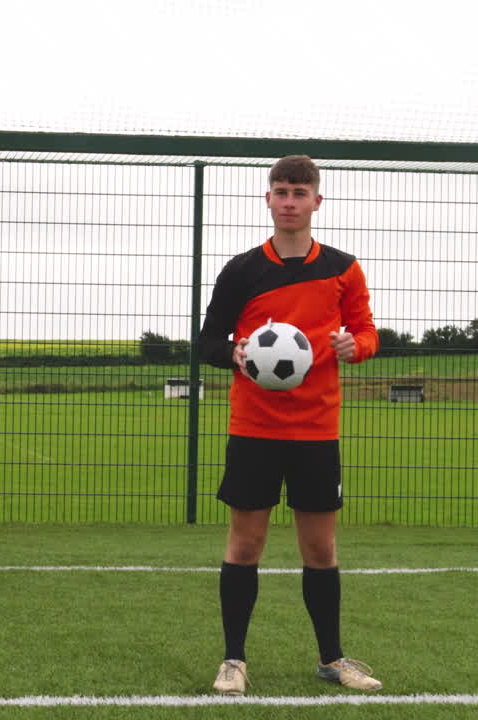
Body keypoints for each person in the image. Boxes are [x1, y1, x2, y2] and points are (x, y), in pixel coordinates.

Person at [198, 155, 381, 695]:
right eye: (280, 191)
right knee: (245, 544)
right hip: (254, 427)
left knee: (321, 550)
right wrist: (236, 354)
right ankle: (234, 660)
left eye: (300, 192)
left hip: (317, 430)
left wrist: (357, 346)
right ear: (268, 199)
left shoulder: (344, 268)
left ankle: (332, 659)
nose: (289, 201)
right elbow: (208, 342)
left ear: (316, 201)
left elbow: (368, 332)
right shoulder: (242, 269)